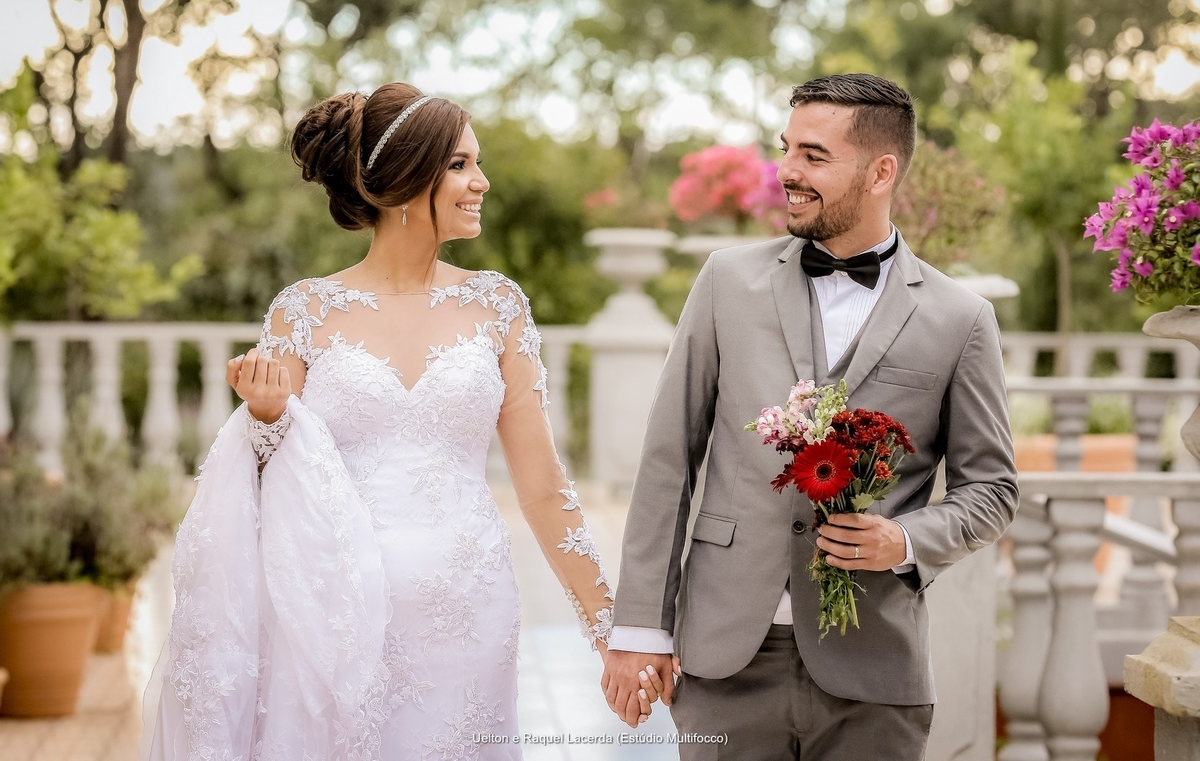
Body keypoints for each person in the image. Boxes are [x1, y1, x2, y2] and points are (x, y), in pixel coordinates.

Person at [140, 83, 636, 760]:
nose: (481, 181)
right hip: (333, 615)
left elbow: (545, 488)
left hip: (468, 611)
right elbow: (258, 495)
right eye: (461, 164)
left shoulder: (498, 305)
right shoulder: (304, 311)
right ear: (406, 178)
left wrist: (610, 629)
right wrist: (262, 419)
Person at [601, 73, 1019, 758]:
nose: (786, 172)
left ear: (881, 171)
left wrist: (904, 541)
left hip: (876, 673)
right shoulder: (725, 282)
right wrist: (640, 628)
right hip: (725, 657)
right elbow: (668, 457)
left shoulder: (960, 318)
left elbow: (993, 490)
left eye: (814, 156)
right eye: (786, 148)